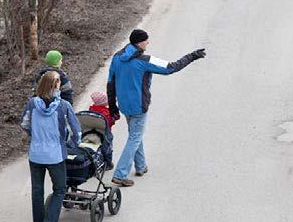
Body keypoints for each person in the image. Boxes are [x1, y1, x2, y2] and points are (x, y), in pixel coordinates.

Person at [107, 29, 206, 186]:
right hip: (139, 106)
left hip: (124, 105)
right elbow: (171, 67)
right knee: (134, 137)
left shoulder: (117, 57)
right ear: (139, 42)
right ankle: (120, 174)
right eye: (146, 40)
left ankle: (141, 166)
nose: (148, 42)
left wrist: (112, 106)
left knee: (135, 134)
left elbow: (110, 82)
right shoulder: (145, 60)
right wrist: (192, 56)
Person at [21, 71, 81, 222]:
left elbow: (24, 123)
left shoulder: (32, 104)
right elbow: (75, 130)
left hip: (36, 154)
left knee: (37, 192)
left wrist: (35, 136)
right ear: (56, 86)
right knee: (60, 188)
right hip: (55, 155)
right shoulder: (63, 106)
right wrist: (72, 145)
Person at [88, 91, 116, 169]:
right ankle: (108, 164)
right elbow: (110, 122)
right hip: (105, 133)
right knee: (108, 148)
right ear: (103, 102)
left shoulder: (92, 108)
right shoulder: (105, 112)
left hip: (93, 131)